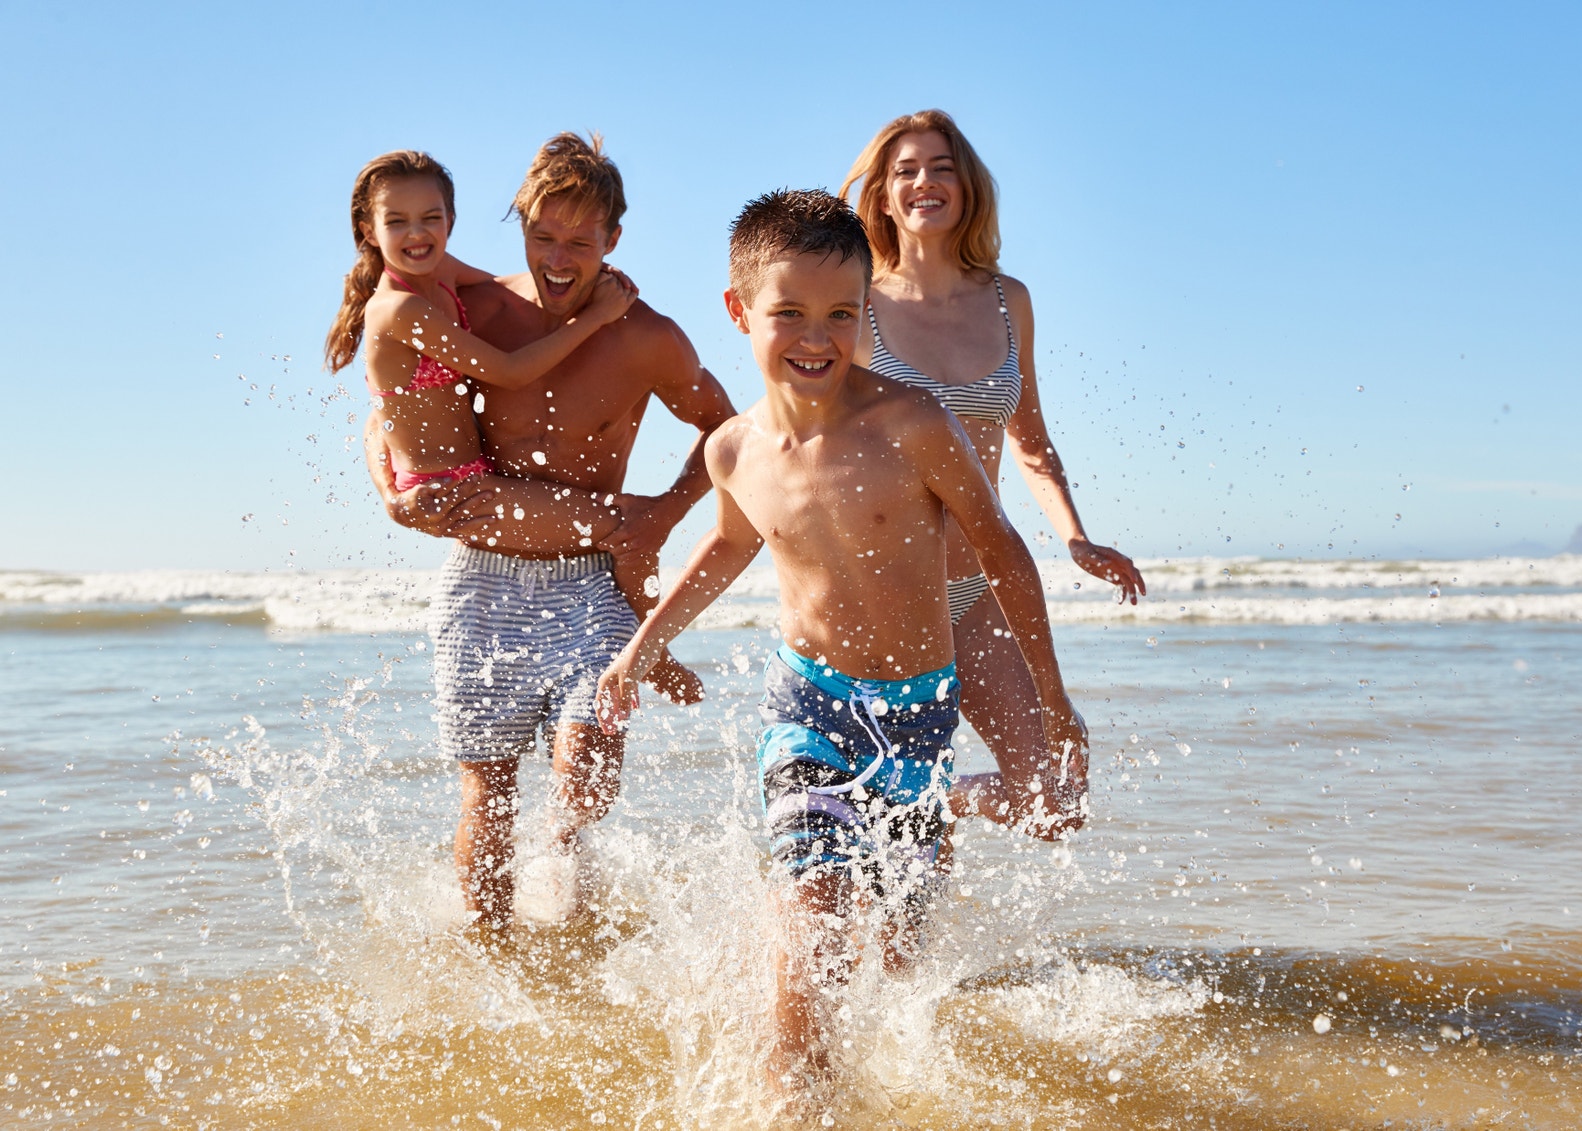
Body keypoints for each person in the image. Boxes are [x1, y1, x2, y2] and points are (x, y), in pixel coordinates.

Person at [593, 190, 1085, 1097]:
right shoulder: (734, 450)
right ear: (739, 311)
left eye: (841, 314)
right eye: (788, 312)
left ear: (868, 313)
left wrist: (1055, 702)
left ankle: (944, 807)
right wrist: (638, 648)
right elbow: (731, 543)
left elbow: (1005, 557)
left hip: (921, 719)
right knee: (812, 953)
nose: (815, 336)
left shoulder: (914, 423)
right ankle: (789, 1097)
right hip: (809, 713)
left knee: (899, 972)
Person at [363, 135, 736, 927]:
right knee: (488, 793)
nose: (559, 258)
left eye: (580, 240)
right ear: (519, 226)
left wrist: (661, 515)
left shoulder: (647, 336)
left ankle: (573, 920)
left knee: (582, 780)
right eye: (542, 236)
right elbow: (386, 397)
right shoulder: (478, 308)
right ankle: (495, 958)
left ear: (613, 241)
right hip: (483, 582)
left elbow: (726, 432)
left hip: (588, 580)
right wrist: (390, 489)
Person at [841, 109, 1146, 838]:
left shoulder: (1009, 302)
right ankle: (906, 821)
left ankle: (939, 804)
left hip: (975, 590)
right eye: (906, 171)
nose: (924, 183)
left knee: (1056, 798)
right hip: (880, 595)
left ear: (968, 187)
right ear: (882, 195)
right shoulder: (855, 307)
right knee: (878, 860)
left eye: (941, 168)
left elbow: (1031, 441)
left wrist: (1075, 538)